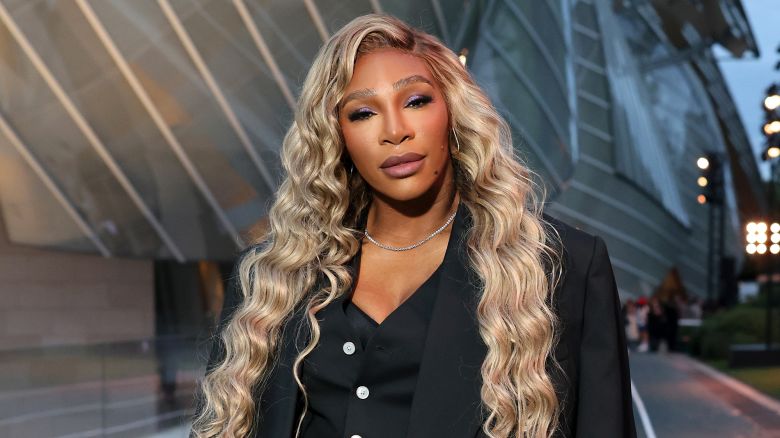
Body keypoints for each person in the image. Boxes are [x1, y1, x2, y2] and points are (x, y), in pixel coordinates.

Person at [191, 14, 635, 438]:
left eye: (416, 101)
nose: (395, 131)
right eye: (363, 113)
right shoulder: (272, 278)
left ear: (453, 113)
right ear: (336, 135)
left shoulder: (560, 267)